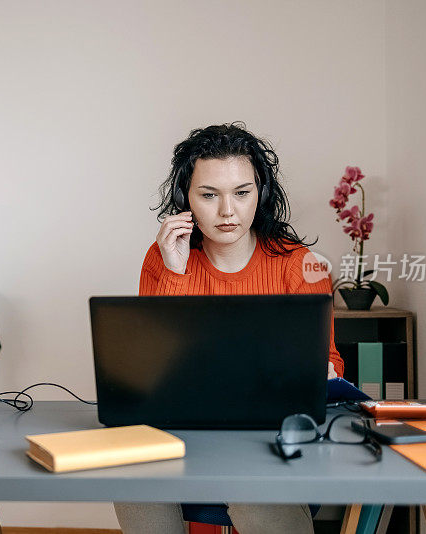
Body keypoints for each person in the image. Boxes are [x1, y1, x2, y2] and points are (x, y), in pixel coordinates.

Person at [113, 122, 343, 534]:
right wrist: (174, 273)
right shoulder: (163, 257)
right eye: (208, 195)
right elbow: (149, 366)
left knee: (254, 491)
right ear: (186, 199)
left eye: (241, 193)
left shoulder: (298, 264)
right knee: (130, 472)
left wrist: (320, 373)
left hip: (267, 432)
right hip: (183, 427)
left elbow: (328, 361)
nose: (226, 211)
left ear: (261, 193)